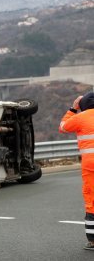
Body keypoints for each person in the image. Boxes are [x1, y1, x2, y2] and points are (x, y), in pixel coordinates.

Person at [59, 92, 94, 250]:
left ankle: (93, 241)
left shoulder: (80, 117)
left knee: (91, 201)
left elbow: (63, 127)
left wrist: (73, 109)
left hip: (90, 166)